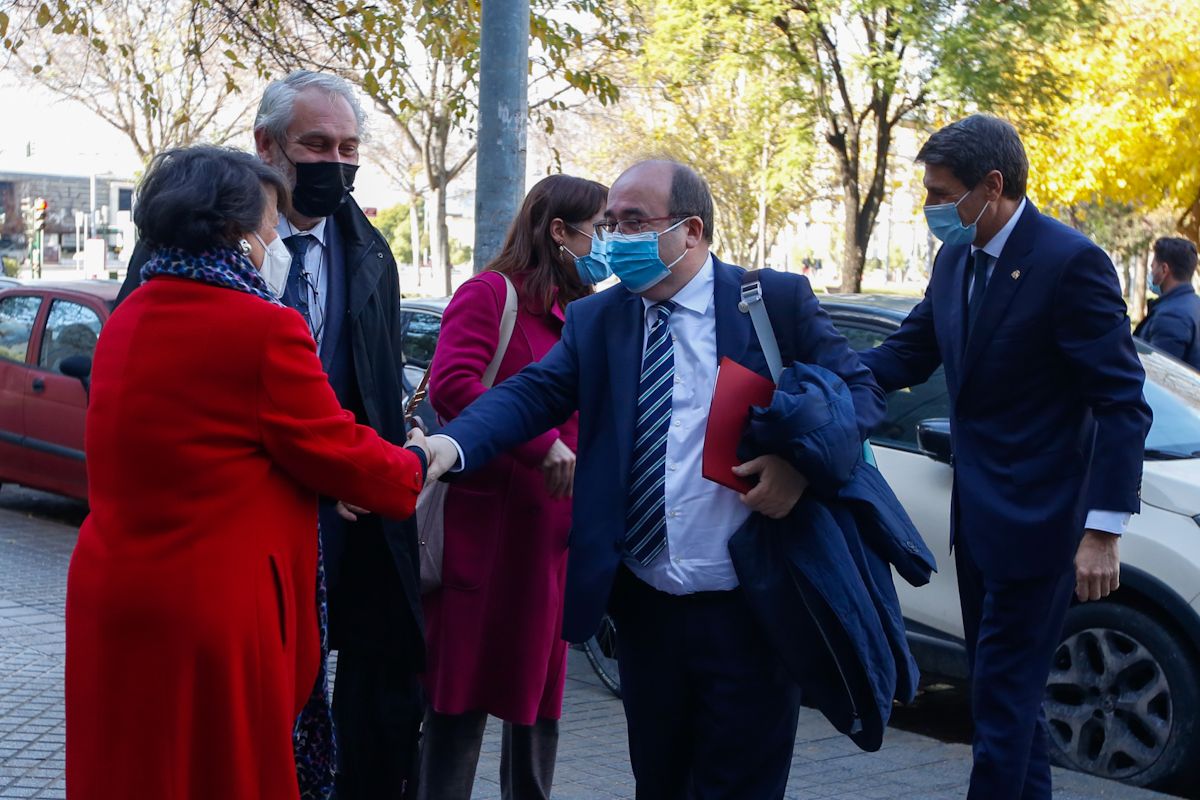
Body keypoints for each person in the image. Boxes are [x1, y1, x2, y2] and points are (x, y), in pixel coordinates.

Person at [423, 160, 886, 799]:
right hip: (646, 612)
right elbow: (529, 396)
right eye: (609, 223)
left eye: (633, 222)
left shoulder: (770, 304)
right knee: (658, 782)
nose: (615, 238)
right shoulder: (601, 319)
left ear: (691, 230)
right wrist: (451, 444)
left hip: (750, 608)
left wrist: (799, 467)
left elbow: (861, 392)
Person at [65, 145, 430, 800]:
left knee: (132, 773)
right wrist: (416, 460)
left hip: (114, 597)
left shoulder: (128, 318)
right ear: (233, 229)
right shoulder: (263, 328)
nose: (275, 239)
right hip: (212, 615)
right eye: (269, 224)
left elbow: (206, 448)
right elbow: (340, 451)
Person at [858, 115, 1152, 800]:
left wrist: (1104, 531)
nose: (930, 208)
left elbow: (1121, 403)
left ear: (992, 186)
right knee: (1006, 703)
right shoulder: (955, 257)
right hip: (977, 523)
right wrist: (818, 374)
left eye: (941, 192)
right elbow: (906, 353)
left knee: (998, 705)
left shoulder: (1069, 262)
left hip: (1043, 527)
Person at [416, 175, 606, 800]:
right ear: (560, 232)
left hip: (551, 543)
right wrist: (539, 441)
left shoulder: (588, 313)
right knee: (459, 698)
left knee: (539, 704)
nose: (607, 241)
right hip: (488, 533)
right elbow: (453, 385)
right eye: (599, 228)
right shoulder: (490, 294)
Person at [1135, 236, 1200, 368]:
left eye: (1153, 267)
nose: (1151, 273)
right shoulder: (1194, 304)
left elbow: (1156, 376)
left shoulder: (1171, 316)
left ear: (1164, 269)